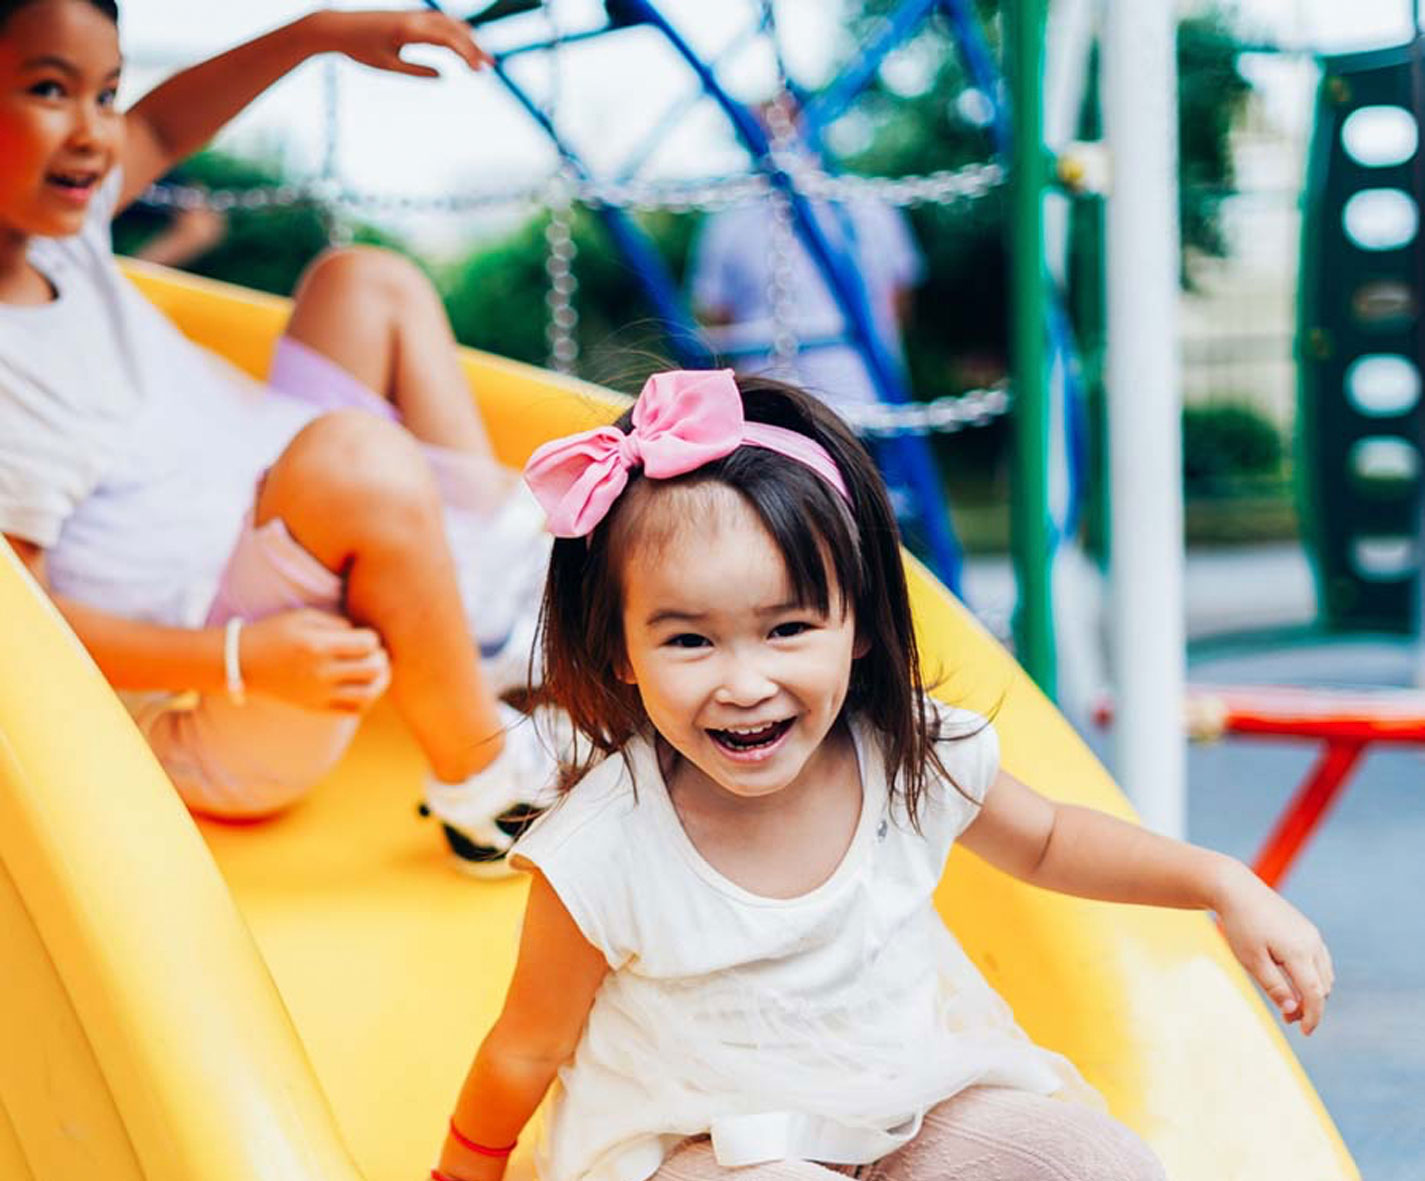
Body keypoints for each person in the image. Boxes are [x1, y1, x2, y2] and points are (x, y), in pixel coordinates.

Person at [433, 368, 1334, 1181]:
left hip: (905, 1110)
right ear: (621, 652)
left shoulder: (905, 754)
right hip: (698, 1148)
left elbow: (1052, 840)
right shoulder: (604, 847)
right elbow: (526, 1046)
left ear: (857, 625)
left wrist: (1221, 883)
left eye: (788, 628)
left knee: (1089, 1161)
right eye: (689, 640)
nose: (746, 682)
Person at [0, 0, 555, 874]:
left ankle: (493, 607)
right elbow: (16, 631)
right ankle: (489, 787)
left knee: (363, 282)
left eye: (101, 93)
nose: (95, 133)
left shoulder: (52, 240)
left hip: (269, 511)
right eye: (47, 90)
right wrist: (236, 658)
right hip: (224, 690)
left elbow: (162, 121)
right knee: (353, 460)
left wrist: (318, 33)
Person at [688, 103, 923, 416]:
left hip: (861, 398)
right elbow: (714, 317)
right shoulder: (730, 220)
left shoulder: (865, 205)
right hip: (774, 406)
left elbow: (898, 298)